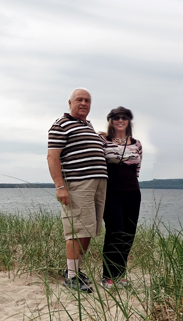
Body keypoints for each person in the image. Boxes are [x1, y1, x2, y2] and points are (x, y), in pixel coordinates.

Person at [47, 88, 108, 293]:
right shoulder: (60, 125)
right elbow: (52, 157)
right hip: (77, 185)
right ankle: (71, 278)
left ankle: (74, 270)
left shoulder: (87, 126)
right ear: (70, 102)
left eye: (87, 101)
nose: (83, 103)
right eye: (79, 100)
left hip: (97, 185)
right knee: (76, 229)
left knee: (88, 229)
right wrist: (60, 186)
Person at [101, 106, 142, 289]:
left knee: (128, 235)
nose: (120, 120)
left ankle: (120, 275)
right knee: (114, 233)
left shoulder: (137, 143)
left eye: (124, 117)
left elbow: (137, 169)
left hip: (133, 193)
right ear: (110, 120)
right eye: (116, 117)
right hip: (111, 193)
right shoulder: (103, 140)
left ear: (128, 120)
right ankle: (108, 276)